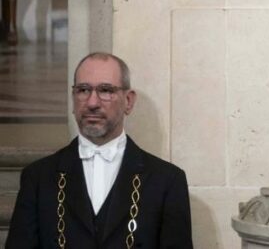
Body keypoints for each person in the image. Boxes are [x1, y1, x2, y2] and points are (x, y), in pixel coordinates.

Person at [6, 53, 193, 247]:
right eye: (83, 90)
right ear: (73, 97)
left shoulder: (167, 181)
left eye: (105, 90)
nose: (92, 103)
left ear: (128, 101)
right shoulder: (37, 178)